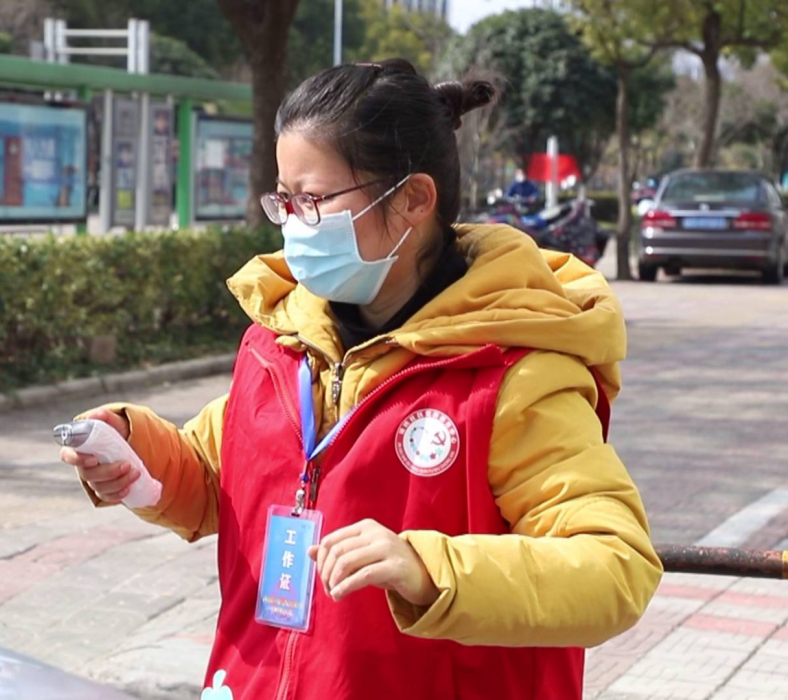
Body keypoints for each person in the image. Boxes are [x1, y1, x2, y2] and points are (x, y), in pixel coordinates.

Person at [60, 58, 661, 700]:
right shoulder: (279, 343)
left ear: (411, 200)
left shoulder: (513, 373)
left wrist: (429, 569)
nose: (293, 222)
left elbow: (615, 567)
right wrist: (134, 451)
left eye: (314, 200)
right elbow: (213, 478)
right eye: (284, 199)